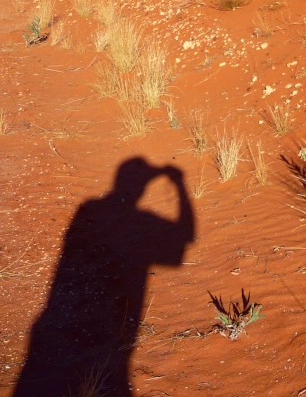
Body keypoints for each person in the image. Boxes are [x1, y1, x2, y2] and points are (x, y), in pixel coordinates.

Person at [14, 158, 195, 397]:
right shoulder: (138, 218)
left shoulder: (89, 208)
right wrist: (180, 185)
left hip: (55, 326)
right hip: (108, 343)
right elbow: (183, 241)